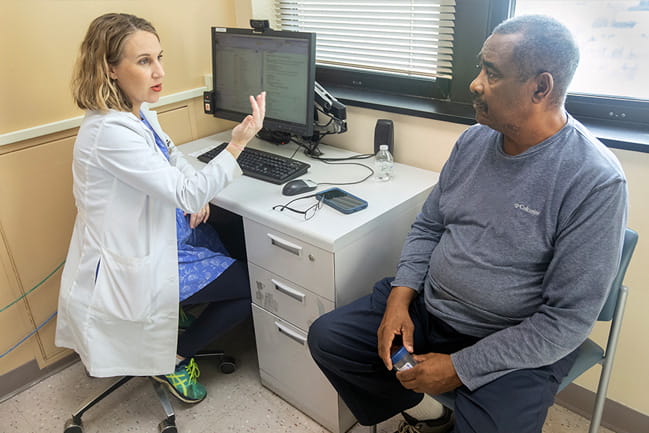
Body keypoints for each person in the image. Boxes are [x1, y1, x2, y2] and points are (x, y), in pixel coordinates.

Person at [307, 15, 627, 433]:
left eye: (491, 73)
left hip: (514, 341)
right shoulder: (474, 140)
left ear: (541, 87)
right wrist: (400, 299)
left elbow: (565, 321)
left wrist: (460, 367)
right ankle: (427, 413)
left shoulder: (594, 180)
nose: (475, 83)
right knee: (330, 340)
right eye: (480, 68)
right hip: (433, 308)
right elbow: (429, 226)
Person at [55, 13, 266, 404]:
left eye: (159, 57)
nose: (159, 71)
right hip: (137, 261)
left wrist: (197, 192)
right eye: (144, 61)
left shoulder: (137, 112)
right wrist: (237, 144)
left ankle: (176, 321)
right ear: (110, 69)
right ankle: (174, 357)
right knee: (249, 285)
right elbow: (183, 191)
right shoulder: (110, 132)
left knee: (232, 236)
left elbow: (172, 158)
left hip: (164, 234)